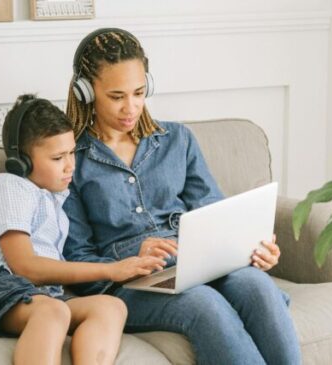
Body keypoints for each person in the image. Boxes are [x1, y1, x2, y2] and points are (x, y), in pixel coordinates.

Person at [63, 28, 302, 365]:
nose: (130, 107)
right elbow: (76, 259)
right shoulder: (71, 160)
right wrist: (133, 256)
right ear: (87, 92)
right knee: (204, 304)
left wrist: (253, 248)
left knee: (257, 286)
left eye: (139, 92)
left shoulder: (177, 139)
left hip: (196, 264)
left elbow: (216, 215)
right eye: (116, 96)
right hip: (128, 285)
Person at [0, 94, 165, 365]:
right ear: (21, 161)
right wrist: (111, 270)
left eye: (71, 153)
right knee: (52, 311)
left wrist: (127, 264)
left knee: (111, 306)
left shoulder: (57, 200)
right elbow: (26, 266)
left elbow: (61, 271)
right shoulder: (12, 187)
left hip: (38, 295)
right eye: (58, 157)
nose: (71, 165)